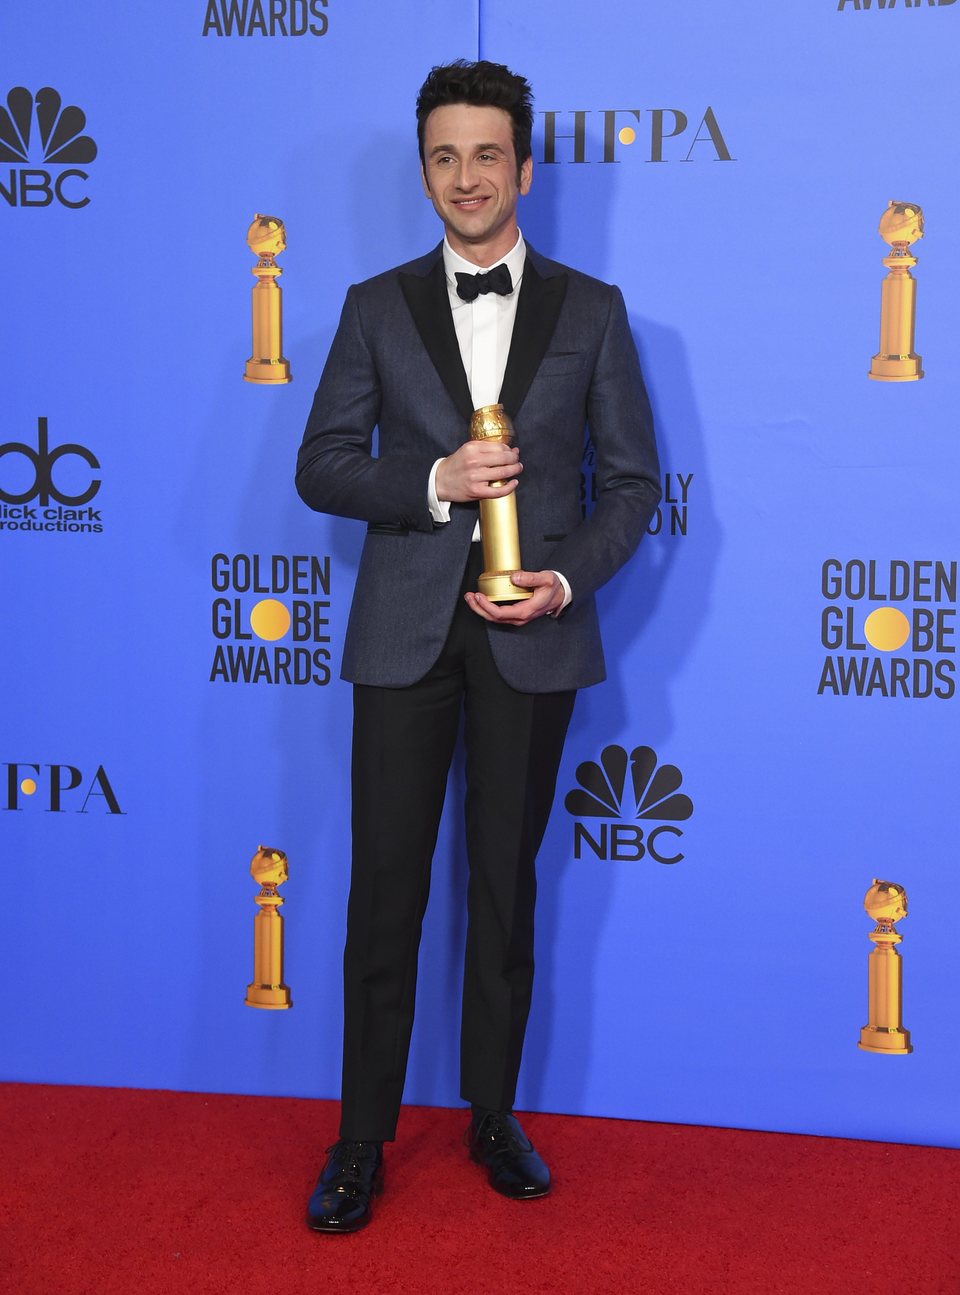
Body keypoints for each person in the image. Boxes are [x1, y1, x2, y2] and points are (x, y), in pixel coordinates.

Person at [295, 59, 660, 1233]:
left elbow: (634, 486)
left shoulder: (594, 311)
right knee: (384, 892)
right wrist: (434, 480)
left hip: (533, 639)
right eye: (444, 156)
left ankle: (493, 1116)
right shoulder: (371, 303)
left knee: (505, 893)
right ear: (424, 172)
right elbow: (321, 464)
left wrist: (563, 578)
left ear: (527, 169)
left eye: (486, 154)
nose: (466, 176)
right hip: (403, 635)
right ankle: (360, 1140)